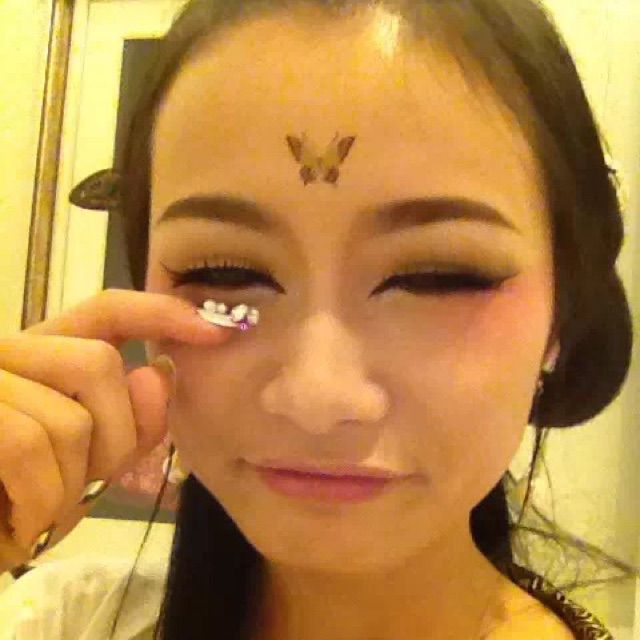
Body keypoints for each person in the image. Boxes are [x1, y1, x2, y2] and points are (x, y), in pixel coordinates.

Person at [0, 0, 633, 638]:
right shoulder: (60, 622)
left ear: (561, 314)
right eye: (225, 273)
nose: (317, 397)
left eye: (438, 276)